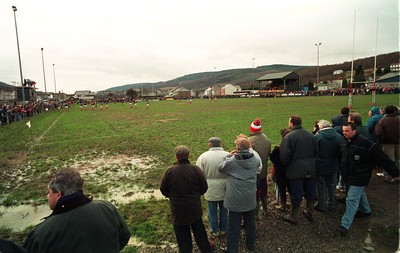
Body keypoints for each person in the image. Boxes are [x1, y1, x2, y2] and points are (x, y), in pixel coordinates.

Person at [23, 168, 131, 253]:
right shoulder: (107, 208)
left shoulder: (42, 233)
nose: (47, 196)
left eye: (49, 192)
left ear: (58, 194)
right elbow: (124, 236)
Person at [337, 122, 399, 236]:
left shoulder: (366, 144)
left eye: (347, 131)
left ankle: (345, 225)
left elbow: (383, 159)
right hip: (349, 176)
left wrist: (395, 173)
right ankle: (366, 211)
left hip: (360, 176)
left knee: (351, 199)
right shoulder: (346, 141)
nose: (344, 133)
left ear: (354, 131)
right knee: (359, 194)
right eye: (343, 131)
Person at [160, 145, 212, 253]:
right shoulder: (195, 169)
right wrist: (196, 195)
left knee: (182, 238)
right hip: (194, 208)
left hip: (178, 210)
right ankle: (206, 250)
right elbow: (204, 187)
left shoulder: (169, 171)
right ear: (188, 155)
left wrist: (172, 197)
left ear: (176, 157)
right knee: (200, 233)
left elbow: (163, 189)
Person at [218, 137, 261, 253]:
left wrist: (228, 156)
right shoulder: (256, 160)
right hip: (250, 197)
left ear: (237, 148)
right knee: (250, 223)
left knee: (233, 225)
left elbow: (220, 167)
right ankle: (250, 245)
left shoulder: (232, 161)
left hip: (235, 198)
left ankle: (232, 249)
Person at [280, 115, 318, 224]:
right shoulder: (311, 135)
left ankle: (293, 215)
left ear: (291, 123)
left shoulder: (289, 137)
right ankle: (310, 212)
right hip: (310, 169)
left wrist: (287, 165)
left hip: (295, 171)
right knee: (310, 192)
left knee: (296, 194)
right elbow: (317, 151)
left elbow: (284, 157)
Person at [196, 137, 230, 236]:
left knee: (212, 209)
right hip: (226, 186)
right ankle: (223, 229)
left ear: (209, 144)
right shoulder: (228, 155)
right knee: (224, 209)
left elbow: (199, 173)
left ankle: (214, 230)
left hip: (209, 187)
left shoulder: (203, 156)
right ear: (221, 144)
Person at [314, 120, 343, 212]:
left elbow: (314, 151)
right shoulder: (339, 137)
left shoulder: (317, 137)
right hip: (333, 165)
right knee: (331, 185)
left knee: (320, 186)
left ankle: (320, 205)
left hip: (320, 165)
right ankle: (330, 204)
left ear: (321, 127)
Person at [248, 118, 272, 218]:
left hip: (254, 172)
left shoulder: (250, 142)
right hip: (264, 170)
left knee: (256, 192)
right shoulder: (267, 139)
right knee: (264, 190)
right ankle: (266, 210)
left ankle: (256, 213)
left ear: (252, 129)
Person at [375, 105, 400, 178]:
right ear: (395, 111)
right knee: (398, 159)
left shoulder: (382, 121)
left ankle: (389, 175)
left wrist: (382, 141)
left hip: (387, 143)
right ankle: (397, 174)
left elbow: (379, 133)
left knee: (388, 160)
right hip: (398, 142)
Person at [269, 128, 291, 211]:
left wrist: (274, 151)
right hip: (291, 171)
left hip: (280, 172)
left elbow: (272, 158)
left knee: (282, 188)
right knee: (291, 188)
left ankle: (283, 204)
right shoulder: (293, 147)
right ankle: (292, 205)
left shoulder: (278, 149)